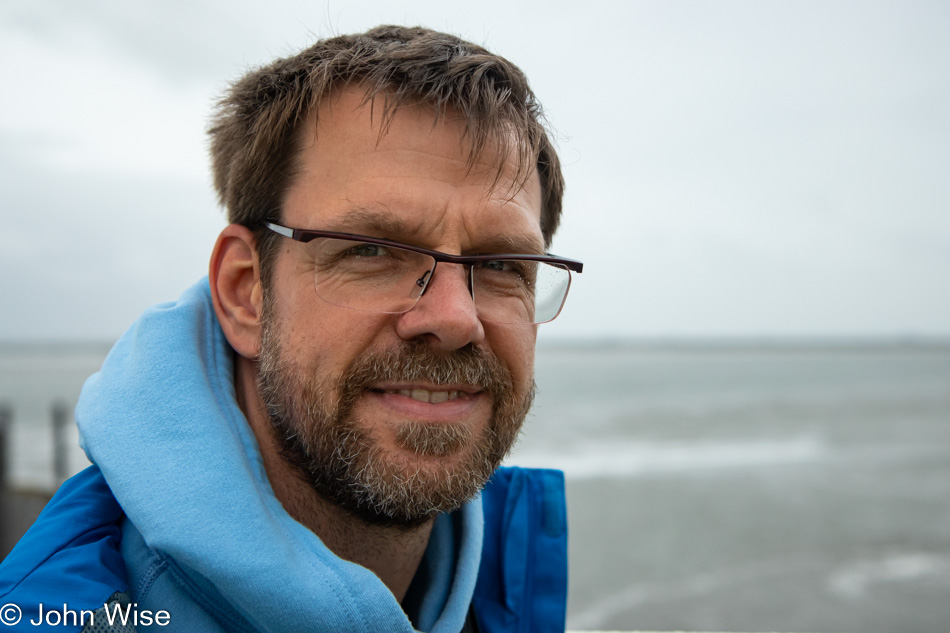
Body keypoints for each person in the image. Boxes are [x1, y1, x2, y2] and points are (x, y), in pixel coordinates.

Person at [0, 25, 582, 633]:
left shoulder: (504, 584)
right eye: (372, 251)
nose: (455, 318)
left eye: (499, 266)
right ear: (245, 292)